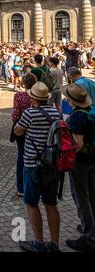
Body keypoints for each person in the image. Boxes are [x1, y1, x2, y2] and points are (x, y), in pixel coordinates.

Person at [14, 82, 62, 252]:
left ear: (33, 98)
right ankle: (55, 244)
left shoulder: (30, 113)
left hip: (32, 163)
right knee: (51, 204)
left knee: (32, 204)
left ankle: (39, 243)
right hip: (51, 165)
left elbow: (18, 131)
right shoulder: (56, 113)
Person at [62, 84, 95, 252]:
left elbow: (79, 144)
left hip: (81, 161)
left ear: (72, 100)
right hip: (93, 159)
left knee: (81, 197)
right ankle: (91, 229)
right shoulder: (90, 111)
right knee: (91, 195)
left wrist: (67, 153)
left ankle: (88, 237)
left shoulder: (77, 117)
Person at [11, 73, 37, 198]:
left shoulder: (19, 96)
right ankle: (35, 184)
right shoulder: (38, 96)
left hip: (22, 127)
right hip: (36, 128)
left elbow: (15, 115)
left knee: (21, 156)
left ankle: (21, 187)